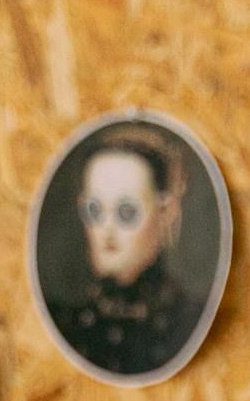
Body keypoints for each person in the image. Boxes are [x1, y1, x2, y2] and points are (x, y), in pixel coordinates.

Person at [57, 125, 199, 379]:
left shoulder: (186, 320)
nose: (107, 231)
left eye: (127, 212)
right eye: (94, 211)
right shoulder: (68, 322)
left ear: (165, 212)